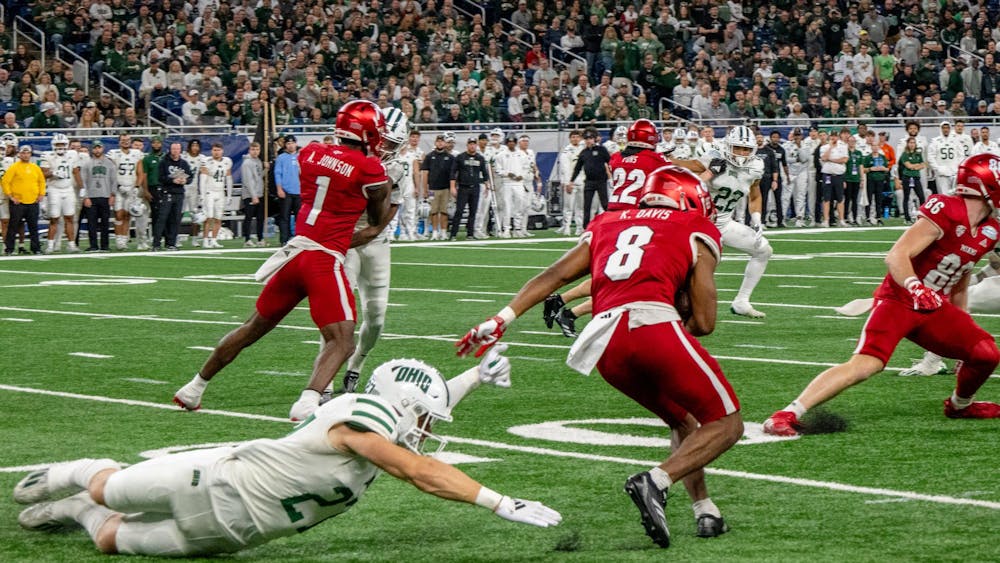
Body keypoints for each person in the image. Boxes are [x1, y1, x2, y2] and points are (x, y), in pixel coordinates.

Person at [15, 349, 561, 557]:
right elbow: (415, 469)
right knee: (105, 487)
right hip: (211, 480)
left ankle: (77, 513)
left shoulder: (391, 413)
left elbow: (419, 414)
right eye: (422, 417)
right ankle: (73, 477)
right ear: (399, 406)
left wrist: (474, 376)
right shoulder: (361, 418)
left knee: (109, 536)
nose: (424, 430)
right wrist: (497, 501)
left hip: (238, 531)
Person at [456, 166, 742, 548]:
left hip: (602, 339)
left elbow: (556, 275)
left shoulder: (608, 221)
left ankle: (704, 510)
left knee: (682, 417)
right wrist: (682, 309)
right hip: (652, 326)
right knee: (727, 422)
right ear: (689, 200)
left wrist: (501, 317)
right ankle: (653, 481)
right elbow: (705, 323)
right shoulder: (694, 226)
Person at [173, 100, 392, 421]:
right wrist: (385, 203)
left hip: (294, 254)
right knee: (343, 340)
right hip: (323, 260)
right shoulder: (370, 168)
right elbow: (373, 220)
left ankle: (193, 388)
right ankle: (307, 403)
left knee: (252, 327)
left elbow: (327, 182)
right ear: (368, 132)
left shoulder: (312, 151)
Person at [764, 153, 1000, 437]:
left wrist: (964, 327)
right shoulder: (946, 209)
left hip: (935, 306)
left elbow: (960, 280)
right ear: (986, 186)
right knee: (867, 364)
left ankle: (960, 405)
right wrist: (915, 286)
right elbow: (897, 255)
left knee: (985, 353)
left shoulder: (990, 230)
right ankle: (788, 412)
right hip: (900, 299)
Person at [338, 106, 410, 395]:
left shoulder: (398, 169)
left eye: (393, 144)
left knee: (377, 316)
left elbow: (381, 222)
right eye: (384, 141)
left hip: (373, 241)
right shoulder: (351, 158)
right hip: (347, 238)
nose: (386, 148)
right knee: (341, 314)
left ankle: (355, 366)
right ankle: (325, 383)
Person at [678, 126, 771, 318]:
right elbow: (686, 169)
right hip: (699, 223)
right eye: (737, 148)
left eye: (746, 149)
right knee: (693, 269)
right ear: (728, 146)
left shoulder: (755, 167)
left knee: (763, 250)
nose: (742, 153)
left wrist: (756, 219)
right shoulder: (714, 156)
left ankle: (741, 301)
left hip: (724, 223)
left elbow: (755, 195)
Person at [40, 133, 82, 253]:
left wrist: (82, 187)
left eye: (62, 145)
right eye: (58, 145)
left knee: (70, 217)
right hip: (54, 189)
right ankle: (50, 245)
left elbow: (76, 172)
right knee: (54, 218)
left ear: (67, 145)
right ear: (53, 145)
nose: (60, 147)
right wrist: (53, 173)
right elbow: (42, 174)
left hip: (68, 189)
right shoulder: (48, 156)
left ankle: (71, 244)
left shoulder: (72, 155)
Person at [2, 145, 46, 255]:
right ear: (19, 154)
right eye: (23, 153)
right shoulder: (14, 167)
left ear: (30, 154)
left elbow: (41, 181)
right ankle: (9, 249)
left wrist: (41, 194)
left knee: (33, 226)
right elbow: (5, 181)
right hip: (18, 202)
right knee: (13, 226)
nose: (25, 155)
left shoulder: (35, 167)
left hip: (33, 201)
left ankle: (36, 248)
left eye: (27, 153)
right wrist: (11, 196)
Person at [106, 134, 145, 251]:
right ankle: (118, 239)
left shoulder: (136, 154)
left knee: (128, 215)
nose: (125, 142)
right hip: (119, 188)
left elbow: (140, 172)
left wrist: (137, 187)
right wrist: (117, 186)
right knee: (119, 215)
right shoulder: (114, 153)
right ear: (119, 142)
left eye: (127, 140)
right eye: (123, 140)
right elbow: (111, 172)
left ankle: (123, 239)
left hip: (131, 188)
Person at [154, 143, 195, 251]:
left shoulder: (184, 163)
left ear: (180, 150)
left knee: (175, 220)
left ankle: (171, 243)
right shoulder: (163, 163)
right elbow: (160, 178)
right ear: (170, 150)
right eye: (173, 149)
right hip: (167, 192)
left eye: (177, 149)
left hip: (179, 193)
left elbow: (190, 177)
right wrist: (172, 180)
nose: (175, 151)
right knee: (162, 219)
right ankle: (156, 243)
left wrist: (185, 180)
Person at [569, 130, 612, 227]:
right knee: (586, 205)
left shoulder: (601, 150)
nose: (588, 141)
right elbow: (577, 168)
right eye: (587, 139)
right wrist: (572, 181)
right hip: (589, 181)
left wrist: (611, 174)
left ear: (594, 139)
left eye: (590, 139)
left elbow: (610, 162)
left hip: (601, 181)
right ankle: (586, 227)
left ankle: (610, 223)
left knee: (605, 204)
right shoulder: (584, 153)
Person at [450, 137, 489, 241]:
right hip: (463, 187)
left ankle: (470, 234)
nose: (472, 146)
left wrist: (487, 186)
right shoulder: (460, 157)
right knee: (459, 211)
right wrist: (453, 186)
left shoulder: (480, 158)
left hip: (475, 187)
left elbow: (485, 173)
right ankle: (453, 234)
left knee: (473, 212)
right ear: (467, 145)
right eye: (470, 144)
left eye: (474, 144)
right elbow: (453, 173)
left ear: (476, 145)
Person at [80, 141, 116, 252]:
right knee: (92, 223)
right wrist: (85, 197)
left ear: (102, 148)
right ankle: (93, 245)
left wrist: (113, 194)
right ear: (92, 149)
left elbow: (114, 180)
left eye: (99, 148)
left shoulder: (109, 163)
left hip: (105, 195)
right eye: (95, 148)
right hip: (91, 196)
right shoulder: (87, 164)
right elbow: (83, 181)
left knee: (105, 223)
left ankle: (105, 245)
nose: (97, 150)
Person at [421, 135, 456, 240]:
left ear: (445, 143)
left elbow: (453, 175)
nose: (440, 143)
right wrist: (425, 189)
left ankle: (444, 232)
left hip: (445, 188)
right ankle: (435, 232)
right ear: (435, 143)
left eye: (442, 141)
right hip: (432, 188)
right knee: (433, 211)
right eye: (438, 141)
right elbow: (425, 173)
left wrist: (452, 188)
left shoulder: (450, 158)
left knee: (445, 211)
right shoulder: (429, 156)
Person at [198, 143, 233, 249]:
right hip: (210, 192)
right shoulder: (207, 161)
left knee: (218, 218)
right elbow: (202, 180)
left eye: (218, 150)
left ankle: (214, 240)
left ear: (222, 151)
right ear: (211, 151)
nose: (216, 152)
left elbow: (229, 178)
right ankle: (205, 240)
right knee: (209, 217)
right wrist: (202, 195)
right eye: (214, 150)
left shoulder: (227, 161)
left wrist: (229, 194)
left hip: (220, 192)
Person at [556, 129, 586, 236]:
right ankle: (567, 226)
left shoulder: (584, 148)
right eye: (573, 137)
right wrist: (568, 182)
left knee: (580, 206)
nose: (575, 139)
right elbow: (565, 168)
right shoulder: (566, 150)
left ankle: (579, 227)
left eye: (577, 136)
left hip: (582, 181)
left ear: (580, 138)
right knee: (569, 206)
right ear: (570, 139)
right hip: (571, 182)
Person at [395, 131, 424, 241]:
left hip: (409, 184)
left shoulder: (413, 155)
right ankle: (401, 232)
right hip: (398, 184)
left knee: (411, 210)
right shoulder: (395, 155)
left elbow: (416, 173)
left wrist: (417, 187)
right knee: (399, 210)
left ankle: (411, 232)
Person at [274, 135, 302, 246]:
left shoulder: (301, 156)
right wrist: (279, 188)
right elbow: (277, 173)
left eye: (292, 143)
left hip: (299, 191)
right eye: (288, 143)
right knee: (284, 216)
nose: (290, 145)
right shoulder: (281, 158)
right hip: (286, 191)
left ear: (296, 144)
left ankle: (299, 238)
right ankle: (284, 239)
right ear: (285, 145)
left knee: (299, 217)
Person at [137, 136, 165, 246]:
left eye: (158, 143)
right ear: (151, 144)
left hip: (164, 188)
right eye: (154, 143)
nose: (156, 145)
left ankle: (160, 236)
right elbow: (144, 175)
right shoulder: (147, 158)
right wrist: (146, 190)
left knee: (161, 214)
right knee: (152, 214)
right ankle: (151, 237)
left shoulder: (165, 157)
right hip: (152, 187)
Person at [181, 140, 206, 247]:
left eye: (197, 146)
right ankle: (176, 238)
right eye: (193, 145)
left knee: (195, 216)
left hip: (194, 189)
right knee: (178, 214)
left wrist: (202, 192)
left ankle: (194, 239)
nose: (195, 148)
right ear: (189, 147)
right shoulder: (184, 156)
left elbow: (204, 174)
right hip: (182, 188)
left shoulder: (202, 158)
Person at [241, 142, 266, 247]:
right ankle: (247, 239)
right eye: (253, 149)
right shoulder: (247, 163)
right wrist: (253, 195)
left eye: (257, 149)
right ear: (249, 150)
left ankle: (260, 238)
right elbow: (248, 181)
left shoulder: (258, 161)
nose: (255, 152)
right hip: (250, 194)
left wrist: (266, 169)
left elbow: (259, 177)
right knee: (249, 217)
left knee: (261, 217)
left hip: (259, 193)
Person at [928, 122, 961, 195]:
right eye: (944, 128)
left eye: (947, 128)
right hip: (941, 172)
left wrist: (957, 166)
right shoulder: (935, 141)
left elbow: (961, 155)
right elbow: (930, 156)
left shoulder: (956, 140)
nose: (946, 130)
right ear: (941, 129)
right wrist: (937, 168)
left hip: (954, 172)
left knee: (955, 194)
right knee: (943, 194)